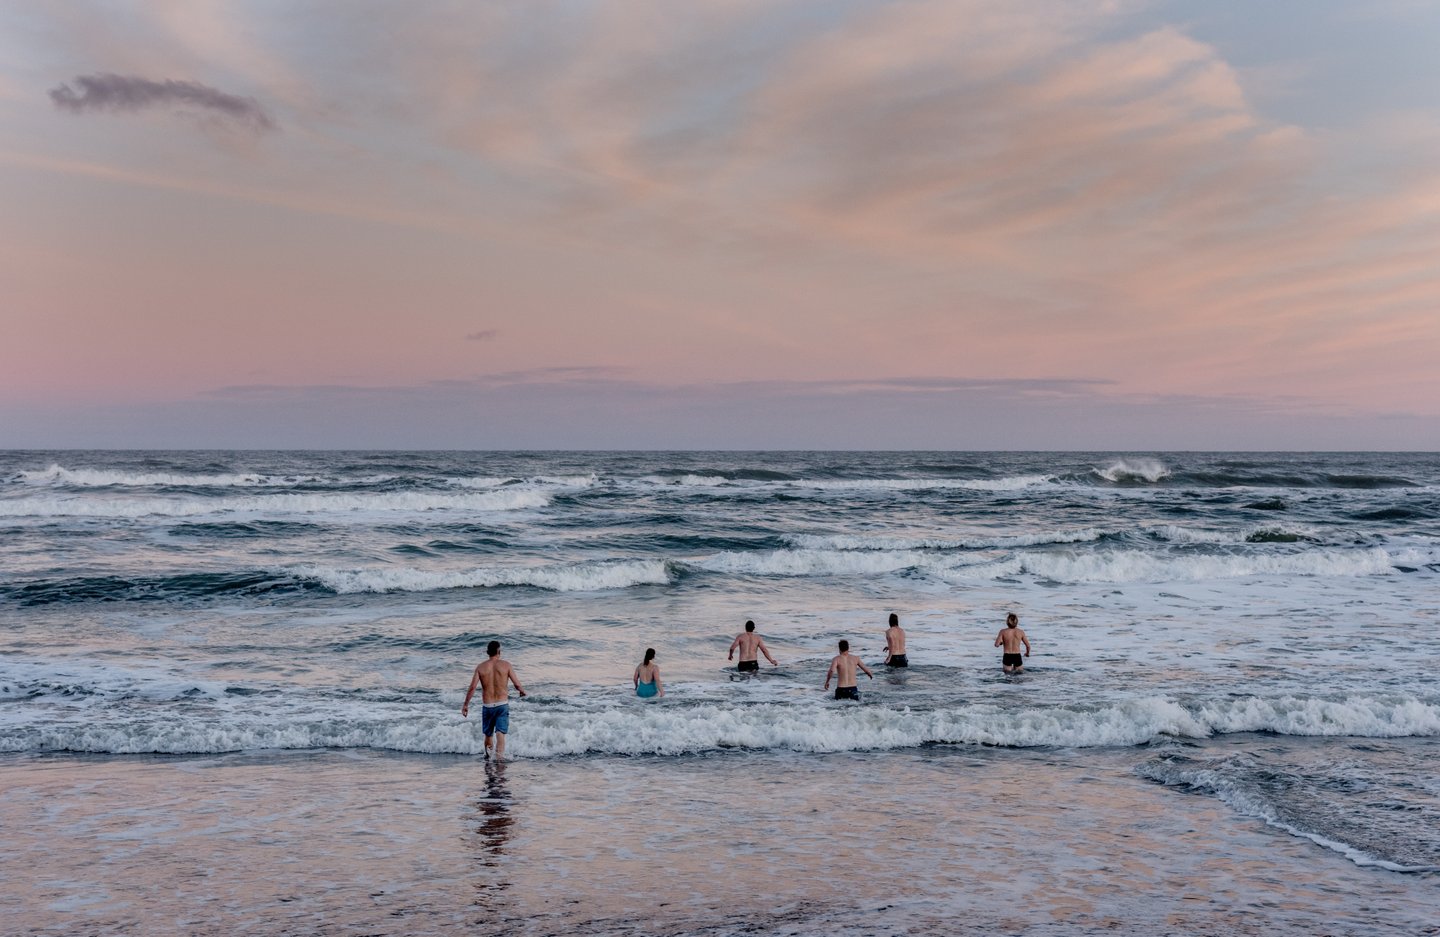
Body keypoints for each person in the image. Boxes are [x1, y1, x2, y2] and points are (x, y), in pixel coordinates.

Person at [462, 640, 527, 759]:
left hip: (487, 706)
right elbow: (517, 685)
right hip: (502, 705)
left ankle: (488, 758)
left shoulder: (481, 667)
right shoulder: (506, 665)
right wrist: (522, 691)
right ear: (499, 651)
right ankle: (499, 760)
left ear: (488, 652)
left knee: (488, 735)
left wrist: (466, 704)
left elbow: (472, 688)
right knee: (500, 733)